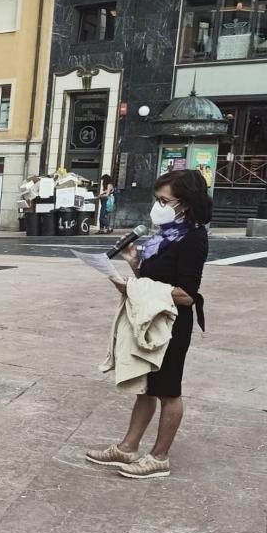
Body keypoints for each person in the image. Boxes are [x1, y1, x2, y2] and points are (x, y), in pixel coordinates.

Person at [86, 169, 210, 480]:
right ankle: (127, 448)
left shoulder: (193, 238)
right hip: (150, 317)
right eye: (157, 199)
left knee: (168, 390)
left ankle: (159, 457)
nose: (158, 206)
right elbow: (155, 280)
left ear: (185, 203)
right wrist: (134, 264)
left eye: (164, 200)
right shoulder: (163, 236)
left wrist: (134, 288)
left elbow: (186, 295)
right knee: (146, 387)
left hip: (171, 322)